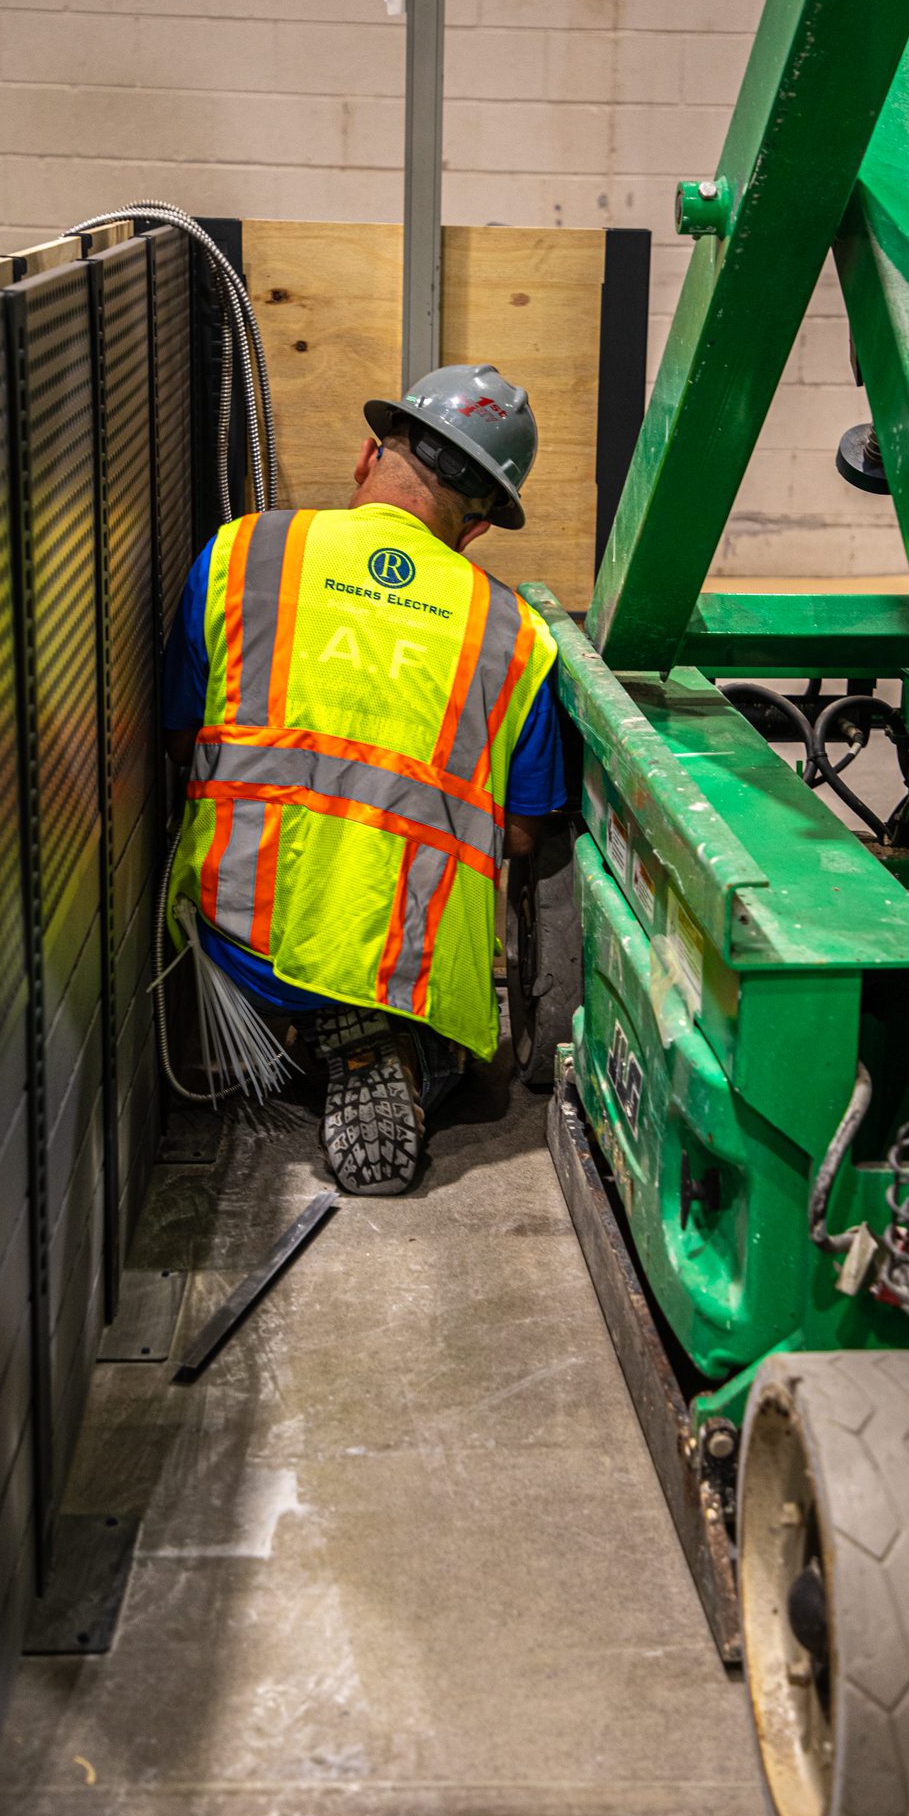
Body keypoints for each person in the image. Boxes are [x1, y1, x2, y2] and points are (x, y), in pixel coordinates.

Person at [161, 363, 566, 1194]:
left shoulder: (243, 550)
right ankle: (383, 1044)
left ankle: (299, 1034)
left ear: (364, 456)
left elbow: (178, 739)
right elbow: (524, 833)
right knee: (429, 1029)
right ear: (479, 526)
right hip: (413, 969)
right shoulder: (515, 632)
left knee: (240, 982)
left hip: (244, 933)